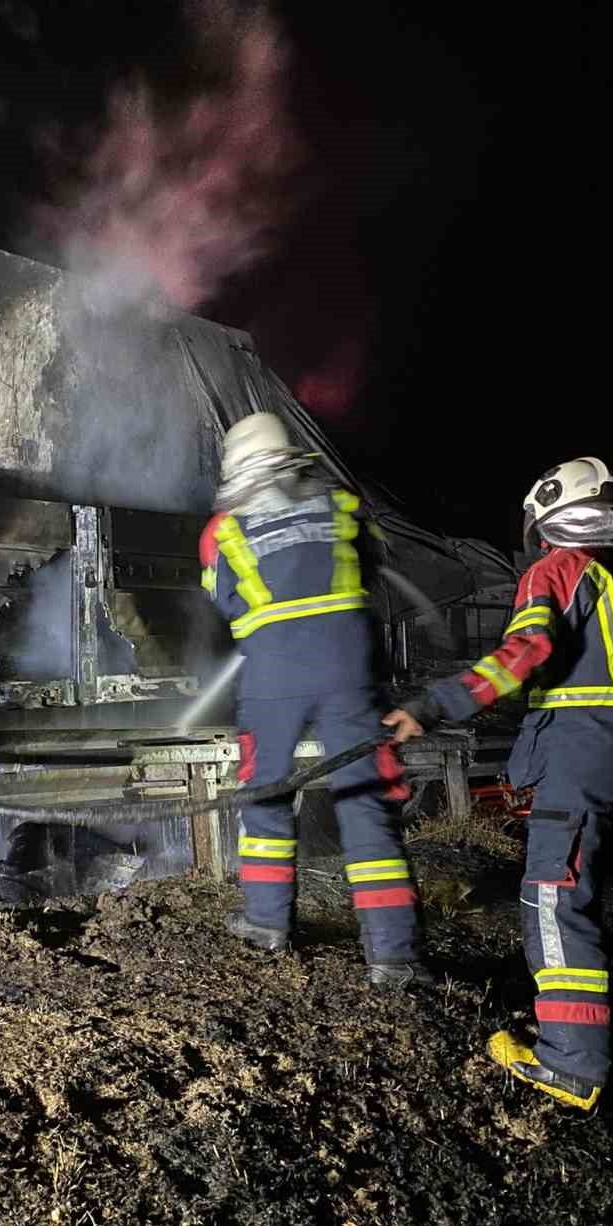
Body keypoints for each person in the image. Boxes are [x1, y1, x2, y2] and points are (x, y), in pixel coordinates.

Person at [384, 456, 613, 1109]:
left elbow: (524, 653)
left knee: (554, 896)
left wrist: (431, 707)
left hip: (583, 757)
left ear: (543, 517)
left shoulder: (558, 567)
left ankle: (570, 1061)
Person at [200, 412, 430, 987]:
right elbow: (376, 575)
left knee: (267, 794)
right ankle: (392, 958)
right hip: (347, 667)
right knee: (366, 805)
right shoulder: (345, 508)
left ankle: (266, 924)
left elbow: (225, 601)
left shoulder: (221, 530)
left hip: (273, 673)